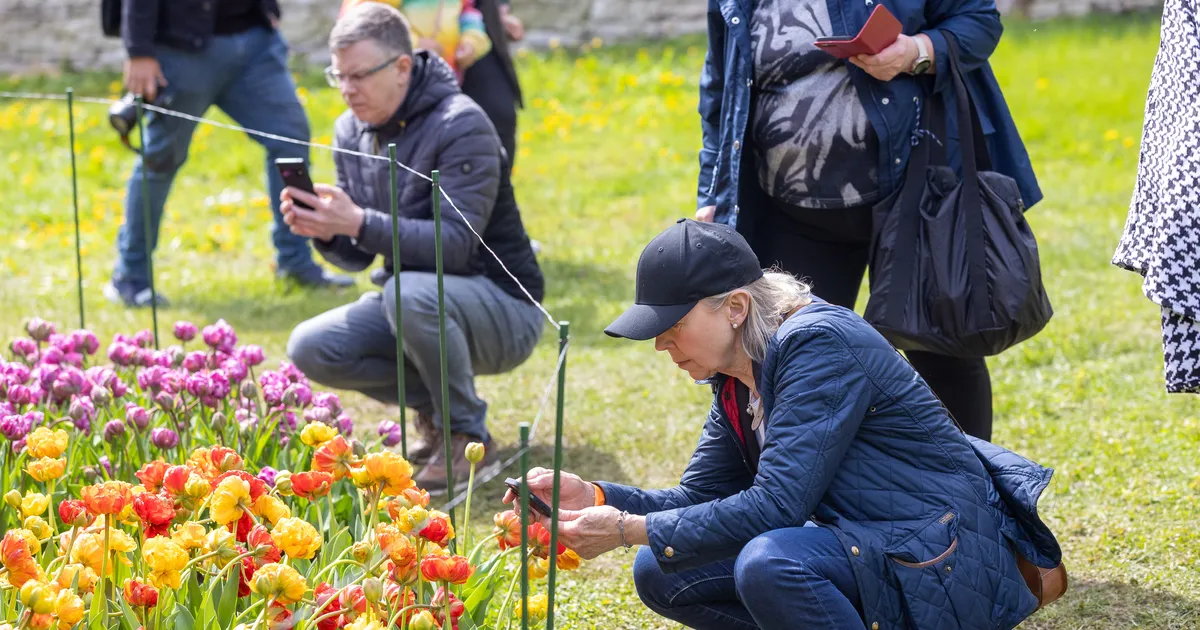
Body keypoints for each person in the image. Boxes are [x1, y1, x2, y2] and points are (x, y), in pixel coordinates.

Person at [507, 219, 1062, 629]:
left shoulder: (816, 344)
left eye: (672, 324)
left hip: (941, 556)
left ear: (735, 308)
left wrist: (627, 527)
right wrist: (596, 495)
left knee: (770, 563)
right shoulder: (736, 369)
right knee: (662, 568)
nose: (660, 343)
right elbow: (699, 496)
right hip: (875, 544)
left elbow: (776, 506)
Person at [692, 0, 1042, 440]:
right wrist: (714, 189)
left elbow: (978, 21)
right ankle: (786, 500)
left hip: (912, 194)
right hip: (789, 209)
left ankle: (973, 499)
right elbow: (721, 88)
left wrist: (916, 50)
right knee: (782, 360)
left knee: (943, 353)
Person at [284, 3, 545, 493]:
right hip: (415, 300)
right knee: (312, 346)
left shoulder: (462, 122)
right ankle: (438, 410)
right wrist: (326, 230)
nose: (347, 89)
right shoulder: (350, 128)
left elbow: (455, 243)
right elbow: (359, 255)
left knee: (409, 291)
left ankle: (466, 433)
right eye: (337, 76)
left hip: (505, 308)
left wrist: (358, 220)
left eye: (358, 75)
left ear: (403, 66)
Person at [108, 0, 351, 307]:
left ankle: (296, 262)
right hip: (180, 50)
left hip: (255, 42)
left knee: (290, 140)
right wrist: (138, 49)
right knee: (160, 160)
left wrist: (268, 13)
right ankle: (131, 277)